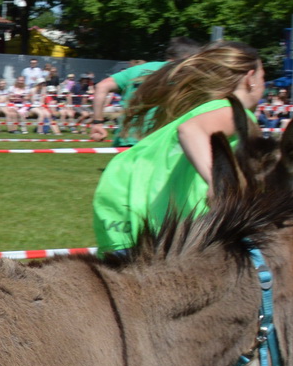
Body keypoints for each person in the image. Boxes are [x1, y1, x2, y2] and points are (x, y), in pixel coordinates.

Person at [92, 42, 266, 255]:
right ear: (250, 79)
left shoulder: (204, 110)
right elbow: (191, 130)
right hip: (138, 207)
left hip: (122, 199)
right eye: (263, 77)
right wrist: (217, 182)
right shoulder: (236, 114)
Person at [89, 37, 203, 145]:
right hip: (158, 141)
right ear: (188, 57)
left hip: (126, 139)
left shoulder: (138, 69)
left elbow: (101, 86)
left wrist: (97, 123)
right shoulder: (182, 72)